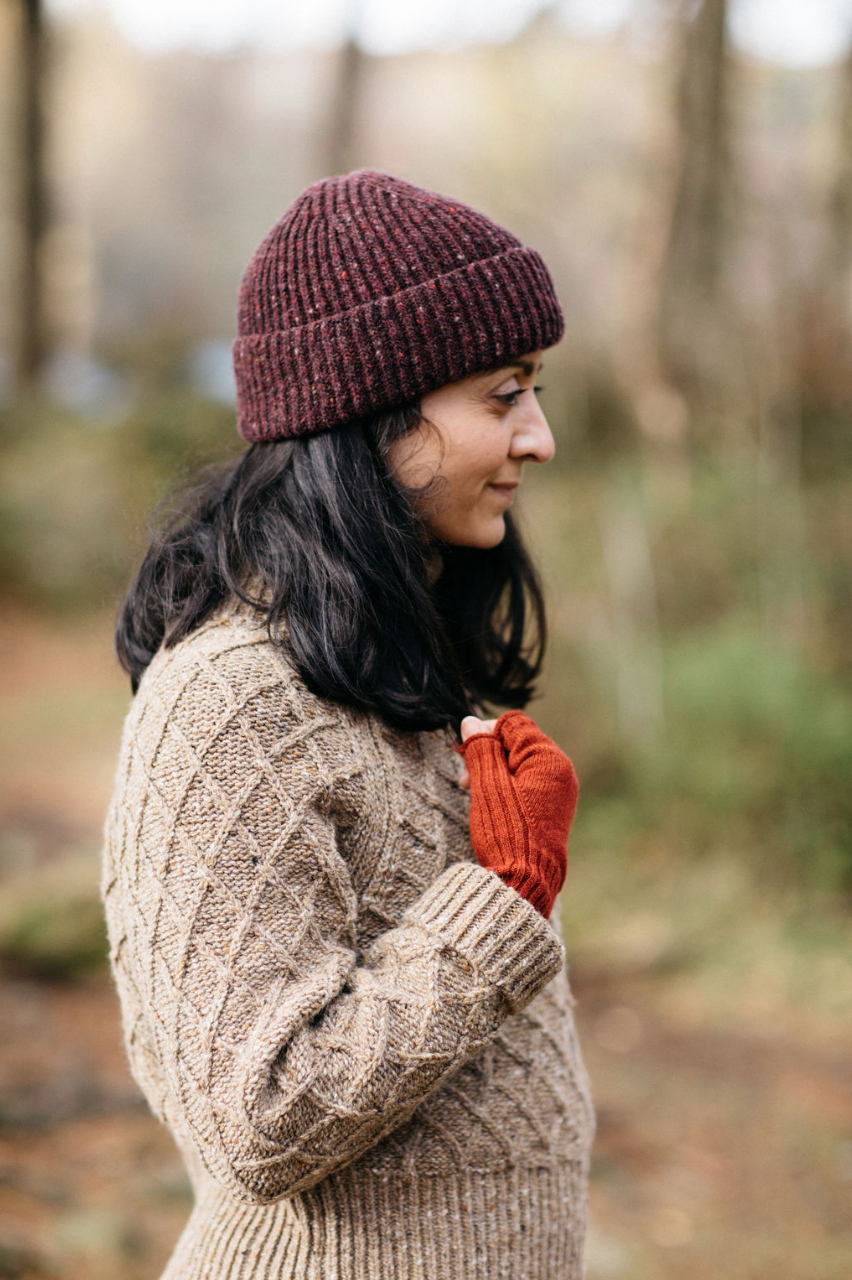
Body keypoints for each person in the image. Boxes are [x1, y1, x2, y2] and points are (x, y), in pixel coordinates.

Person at [102, 169, 595, 1280]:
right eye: (503, 395)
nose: (540, 436)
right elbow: (256, 1117)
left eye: (535, 390)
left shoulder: (396, 661)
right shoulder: (230, 700)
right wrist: (500, 903)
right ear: (375, 416)